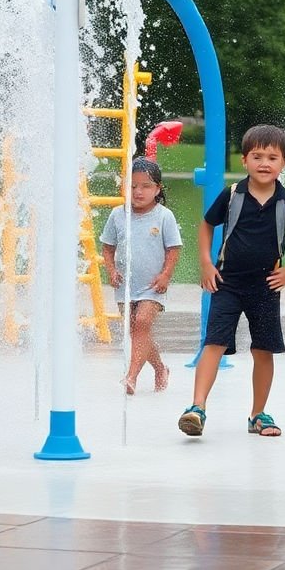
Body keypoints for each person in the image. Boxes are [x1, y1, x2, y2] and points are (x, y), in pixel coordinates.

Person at [178, 124, 285, 438]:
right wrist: (205, 262)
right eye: (257, 156)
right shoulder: (232, 195)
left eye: (272, 157)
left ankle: (258, 414)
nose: (264, 163)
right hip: (226, 282)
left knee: (263, 350)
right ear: (244, 160)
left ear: (284, 162)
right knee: (213, 343)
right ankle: (197, 408)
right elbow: (205, 225)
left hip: (266, 286)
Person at [100, 156, 181, 395]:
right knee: (136, 331)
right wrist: (112, 270)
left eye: (146, 186)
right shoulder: (117, 215)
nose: (138, 192)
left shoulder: (164, 216)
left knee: (142, 323)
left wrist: (165, 275)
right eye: (132, 186)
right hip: (125, 284)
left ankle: (131, 376)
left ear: (158, 189)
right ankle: (160, 368)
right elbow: (107, 247)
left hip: (152, 285)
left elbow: (173, 249)